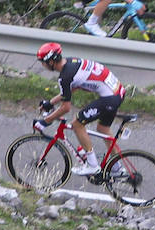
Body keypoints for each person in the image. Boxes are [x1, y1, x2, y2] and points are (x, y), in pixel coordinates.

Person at [33, 42, 126, 177]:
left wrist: (45, 122)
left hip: (110, 97)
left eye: (43, 62)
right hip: (118, 91)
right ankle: (117, 168)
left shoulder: (65, 77)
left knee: (77, 124)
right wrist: (50, 103)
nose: (42, 65)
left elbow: (66, 107)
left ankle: (92, 165)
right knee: (103, 129)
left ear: (51, 61)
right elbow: (71, 89)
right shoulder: (71, 62)